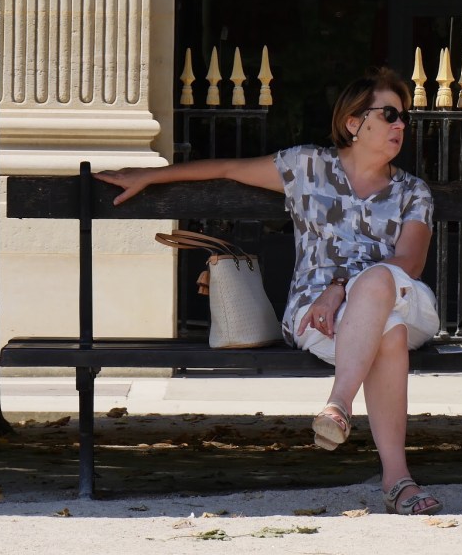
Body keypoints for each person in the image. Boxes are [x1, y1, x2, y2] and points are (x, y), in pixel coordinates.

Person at [96, 68, 443, 516]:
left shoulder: (412, 191)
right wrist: (149, 175)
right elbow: (226, 168)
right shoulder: (306, 167)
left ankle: (339, 403)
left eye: (404, 118)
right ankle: (398, 481)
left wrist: (341, 286)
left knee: (378, 286)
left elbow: (409, 262)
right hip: (319, 316)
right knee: (388, 334)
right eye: (390, 114)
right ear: (354, 122)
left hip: (399, 298)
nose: (401, 125)